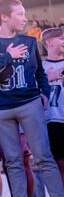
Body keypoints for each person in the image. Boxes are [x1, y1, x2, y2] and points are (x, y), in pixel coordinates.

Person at [0, 0, 64, 197]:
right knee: (13, 161)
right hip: (0, 109)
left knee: (44, 157)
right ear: (4, 17)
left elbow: (40, 74)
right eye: (20, 13)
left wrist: (44, 93)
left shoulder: (29, 41)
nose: (25, 18)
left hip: (30, 103)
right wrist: (8, 56)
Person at [41, 27, 64, 182]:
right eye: (61, 38)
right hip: (53, 120)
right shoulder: (39, 68)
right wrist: (49, 79)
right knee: (60, 165)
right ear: (49, 42)